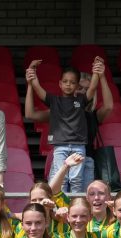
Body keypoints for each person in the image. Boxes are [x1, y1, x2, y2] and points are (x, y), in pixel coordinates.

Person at [26, 59, 102, 194]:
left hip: (78, 146)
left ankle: (75, 206)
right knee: (61, 178)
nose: (68, 85)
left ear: (77, 86)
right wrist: (32, 69)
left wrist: (96, 70)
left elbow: (92, 88)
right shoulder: (54, 101)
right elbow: (37, 87)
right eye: (65, 82)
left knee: (76, 179)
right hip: (60, 146)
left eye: (72, 82)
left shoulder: (81, 100)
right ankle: (62, 207)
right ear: (60, 84)